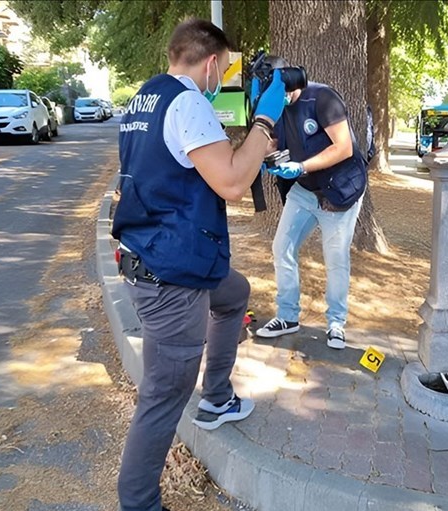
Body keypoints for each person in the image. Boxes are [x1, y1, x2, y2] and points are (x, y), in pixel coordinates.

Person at [111, 18, 286, 511]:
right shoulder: (188, 101)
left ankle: (216, 396)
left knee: (234, 295)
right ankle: (139, 502)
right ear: (211, 63)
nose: (223, 81)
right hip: (171, 276)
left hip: (164, 252)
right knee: (164, 393)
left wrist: (253, 148)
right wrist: (264, 122)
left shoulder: (145, 97)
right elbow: (231, 182)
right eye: (225, 70)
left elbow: (172, 168)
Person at [254, 56, 368, 350]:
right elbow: (274, 142)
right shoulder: (277, 106)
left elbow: (343, 148)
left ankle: (336, 323)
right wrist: (264, 155)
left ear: (290, 80)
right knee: (282, 247)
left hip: (339, 192)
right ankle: (288, 316)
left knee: (336, 259)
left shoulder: (322, 98)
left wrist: (301, 166)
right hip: (304, 192)